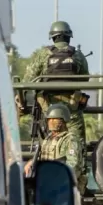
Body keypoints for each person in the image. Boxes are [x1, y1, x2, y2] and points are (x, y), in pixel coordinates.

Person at [22, 21, 90, 150]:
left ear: (53, 37)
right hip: (72, 107)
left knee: (48, 143)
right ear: (69, 37)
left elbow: (28, 79)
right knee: (76, 144)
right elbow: (85, 78)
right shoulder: (77, 55)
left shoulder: (43, 55)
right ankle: (77, 169)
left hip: (48, 108)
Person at [26, 103, 86, 192]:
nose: (51, 121)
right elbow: (44, 158)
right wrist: (32, 162)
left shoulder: (70, 139)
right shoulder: (48, 138)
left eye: (55, 119)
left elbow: (74, 165)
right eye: (49, 119)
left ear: (63, 120)